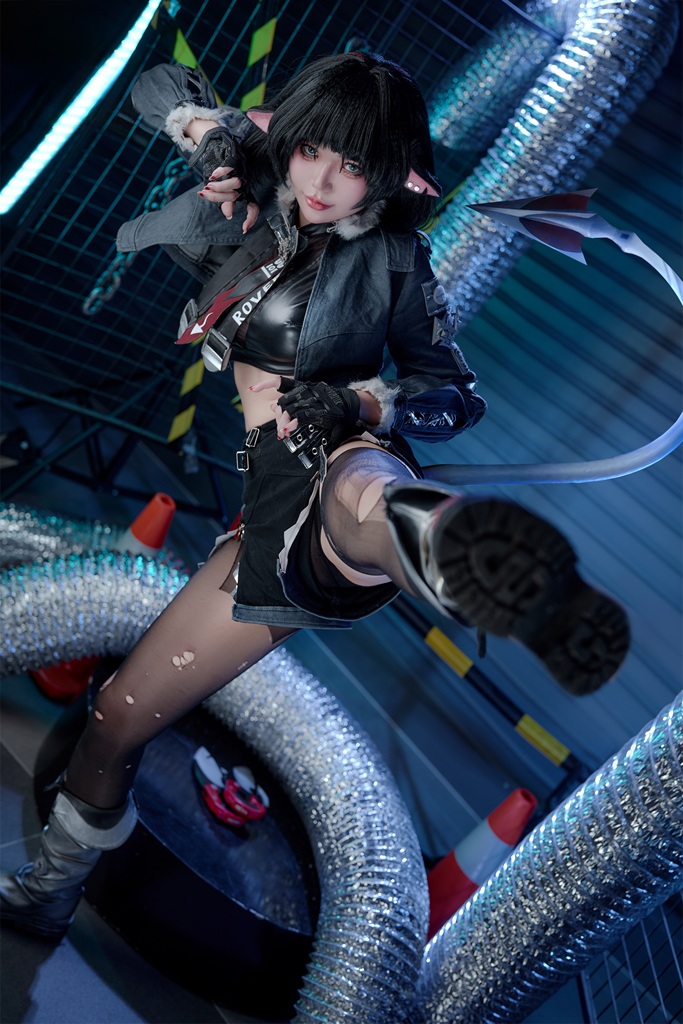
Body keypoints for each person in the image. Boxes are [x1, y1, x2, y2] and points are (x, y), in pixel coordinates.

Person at [1, 52, 629, 941]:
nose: (325, 182)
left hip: (341, 451)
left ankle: (478, 565)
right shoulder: (255, 176)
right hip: (264, 503)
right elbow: (157, 81)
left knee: (365, 495)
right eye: (312, 153)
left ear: (387, 172)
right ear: (293, 140)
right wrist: (203, 131)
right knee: (114, 720)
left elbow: (453, 395)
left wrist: (365, 402)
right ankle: (51, 891)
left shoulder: (394, 258)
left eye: (354, 165)